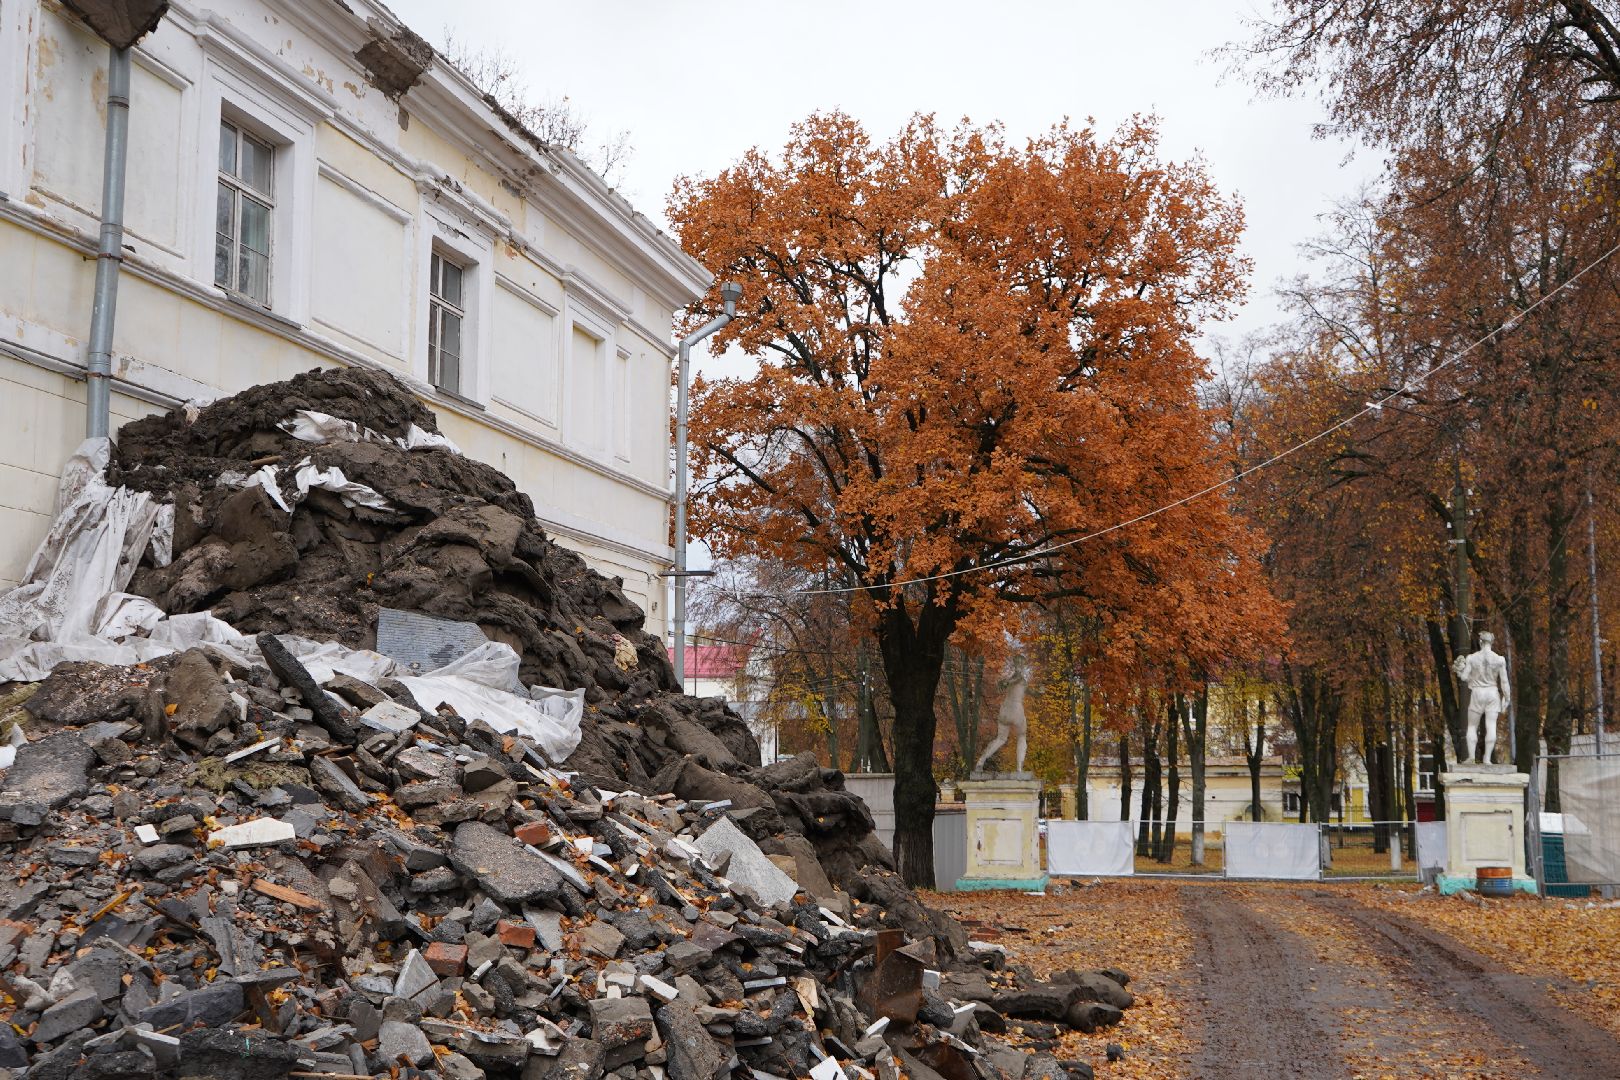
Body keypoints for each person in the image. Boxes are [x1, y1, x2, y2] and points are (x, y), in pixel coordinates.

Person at [1451, 631, 1511, 765]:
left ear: (1480, 642)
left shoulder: (1472, 658)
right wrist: (1507, 697)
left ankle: (1471, 758)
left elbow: (1465, 677)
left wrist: (1459, 670)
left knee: (1472, 726)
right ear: (1492, 642)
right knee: (1491, 726)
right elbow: (1504, 682)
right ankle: (1487, 759)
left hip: (1477, 693)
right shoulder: (1499, 659)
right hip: (1492, 693)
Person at [972, 648, 1030, 775]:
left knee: (1001, 739)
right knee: (1022, 736)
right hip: (1016, 710)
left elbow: (1004, 685)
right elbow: (1017, 681)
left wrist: (1004, 683)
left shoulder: (1013, 678)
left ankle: (981, 761)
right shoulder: (1020, 677)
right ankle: (1019, 768)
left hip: (1004, 710)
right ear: (1021, 665)